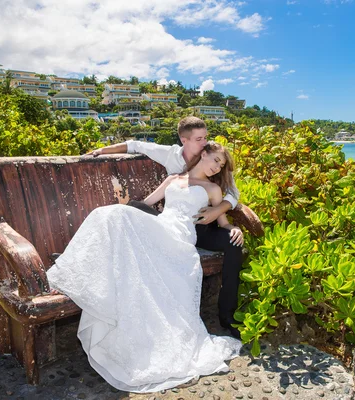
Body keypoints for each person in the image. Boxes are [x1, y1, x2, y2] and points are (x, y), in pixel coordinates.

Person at [46, 142, 242, 392]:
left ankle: (67, 262)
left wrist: (233, 228)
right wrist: (125, 216)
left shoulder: (213, 189)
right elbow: (146, 203)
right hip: (160, 227)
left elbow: (222, 221)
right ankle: (72, 266)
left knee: (113, 216)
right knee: (108, 215)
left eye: (221, 165)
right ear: (203, 154)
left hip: (180, 238)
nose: (217, 167)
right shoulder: (173, 179)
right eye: (215, 160)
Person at [87, 116, 243, 338]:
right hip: (166, 222)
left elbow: (229, 205)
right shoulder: (174, 168)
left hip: (194, 227)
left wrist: (227, 222)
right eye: (200, 140)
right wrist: (103, 150)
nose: (204, 143)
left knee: (234, 245)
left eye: (205, 138)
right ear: (185, 141)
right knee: (113, 213)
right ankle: (88, 257)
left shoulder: (214, 183)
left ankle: (227, 316)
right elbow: (145, 194)